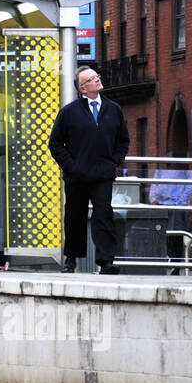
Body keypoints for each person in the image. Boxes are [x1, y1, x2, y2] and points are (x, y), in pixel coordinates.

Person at [48, 66, 131, 274]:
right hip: (77, 175)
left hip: (102, 174)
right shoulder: (69, 112)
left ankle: (106, 261)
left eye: (97, 77)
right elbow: (55, 143)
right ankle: (71, 259)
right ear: (83, 89)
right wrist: (71, 165)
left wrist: (115, 161)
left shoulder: (114, 109)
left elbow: (123, 140)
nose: (97, 80)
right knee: (74, 216)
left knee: (104, 215)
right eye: (92, 79)